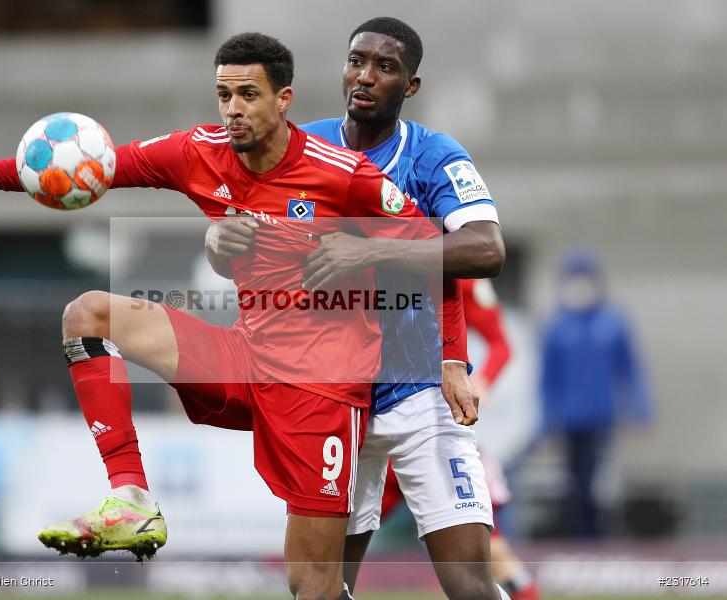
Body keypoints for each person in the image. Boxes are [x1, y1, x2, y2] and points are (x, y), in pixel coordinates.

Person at [0, 32, 458, 600]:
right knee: (88, 314)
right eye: (223, 95)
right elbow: (97, 165)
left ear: (284, 99)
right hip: (245, 358)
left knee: (312, 588)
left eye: (248, 94)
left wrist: (452, 357)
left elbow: (437, 258)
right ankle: (132, 499)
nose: (233, 110)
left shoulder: (344, 173)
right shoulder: (200, 150)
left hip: (323, 392)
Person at [204, 17, 508, 600]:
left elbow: (486, 249)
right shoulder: (299, 147)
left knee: (470, 587)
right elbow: (238, 244)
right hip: (330, 400)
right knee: (319, 590)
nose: (364, 77)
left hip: (420, 395)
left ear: (410, 85)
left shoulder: (433, 157)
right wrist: (219, 243)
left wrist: (366, 252)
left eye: (385, 67)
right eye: (356, 61)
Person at [380, 278, 541, 600]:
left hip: (435, 430)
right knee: (339, 544)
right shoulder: (357, 253)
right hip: (374, 431)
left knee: (486, 557)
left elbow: (500, 345)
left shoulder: (455, 268)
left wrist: (484, 381)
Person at [540, 247, 652, 538]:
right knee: (572, 483)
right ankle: (577, 537)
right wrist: (547, 423)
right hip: (570, 420)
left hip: (603, 417)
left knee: (601, 485)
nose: (580, 286)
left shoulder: (612, 322)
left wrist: (638, 410)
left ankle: (600, 538)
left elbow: (629, 370)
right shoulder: (558, 327)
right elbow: (548, 380)